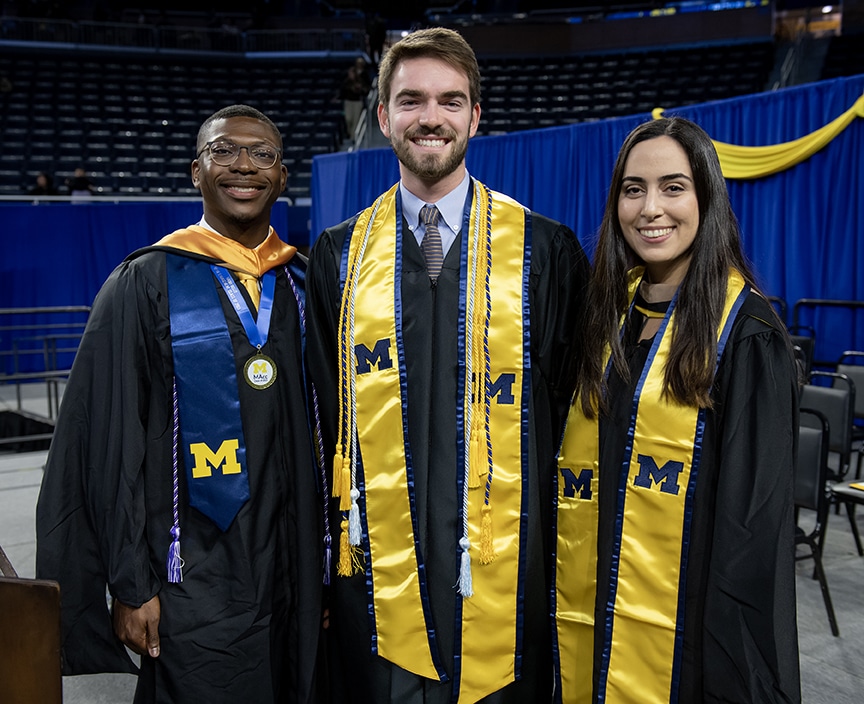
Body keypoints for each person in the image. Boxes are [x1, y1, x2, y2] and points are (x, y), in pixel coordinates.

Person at [306, 27, 590, 704]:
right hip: (376, 592)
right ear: (382, 117)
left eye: (450, 100)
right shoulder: (338, 258)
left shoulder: (545, 254)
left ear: (475, 116)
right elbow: (322, 425)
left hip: (506, 581)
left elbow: (570, 427)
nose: (430, 117)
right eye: (410, 101)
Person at [36, 104, 324, 704]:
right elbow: (108, 443)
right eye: (224, 152)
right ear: (197, 171)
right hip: (191, 572)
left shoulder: (308, 284)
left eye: (262, 154)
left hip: (295, 567)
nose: (243, 165)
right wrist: (131, 584)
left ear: (283, 176)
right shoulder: (145, 283)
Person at [552, 116, 801, 703]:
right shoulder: (609, 320)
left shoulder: (746, 335)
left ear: (706, 197)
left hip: (690, 648)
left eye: (673, 187)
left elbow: (750, 542)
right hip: (594, 628)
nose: (650, 208)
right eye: (633, 189)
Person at [340, 56, 372, 141]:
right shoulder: (347, 80)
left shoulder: (364, 76)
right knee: (348, 119)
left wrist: (361, 88)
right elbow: (343, 89)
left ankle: (353, 137)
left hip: (357, 101)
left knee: (356, 120)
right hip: (348, 101)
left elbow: (367, 88)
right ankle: (350, 133)